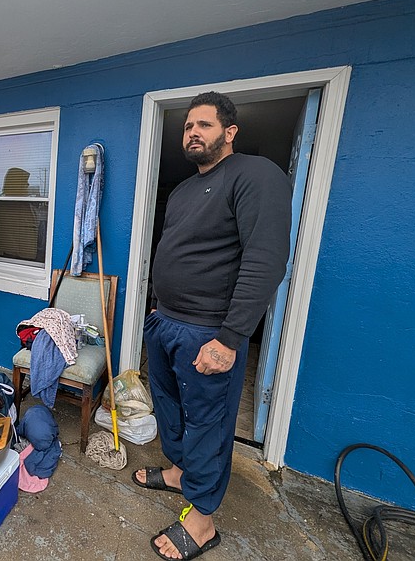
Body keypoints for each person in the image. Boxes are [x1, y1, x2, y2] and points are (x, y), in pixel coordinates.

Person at [134, 92, 292, 560]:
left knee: (208, 423)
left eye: (203, 124)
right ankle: (184, 473)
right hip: (166, 323)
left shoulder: (255, 175)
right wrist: (157, 314)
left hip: (209, 331)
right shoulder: (183, 191)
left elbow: (265, 262)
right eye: (187, 127)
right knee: (170, 409)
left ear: (229, 131)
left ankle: (201, 521)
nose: (193, 133)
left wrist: (230, 337)